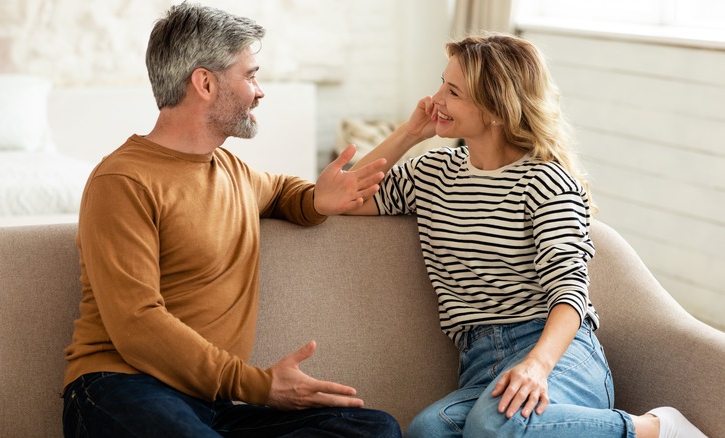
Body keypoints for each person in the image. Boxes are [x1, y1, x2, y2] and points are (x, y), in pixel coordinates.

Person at [61, 3, 402, 437]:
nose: (259, 92)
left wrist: (317, 200)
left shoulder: (232, 171)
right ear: (205, 83)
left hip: (210, 404)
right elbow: (137, 324)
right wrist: (259, 385)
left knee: (372, 429)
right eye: (250, 75)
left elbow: (283, 192)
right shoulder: (122, 180)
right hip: (120, 389)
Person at [346, 33, 708, 438]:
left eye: (453, 92)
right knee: (427, 431)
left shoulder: (546, 181)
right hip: (479, 362)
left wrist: (537, 365)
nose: (435, 100)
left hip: (557, 355)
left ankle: (657, 430)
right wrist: (410, 134)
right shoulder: (431, 174)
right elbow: (345, 198)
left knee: (494, 424)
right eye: (442, 84)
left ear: (495, 109)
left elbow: (570, 292)